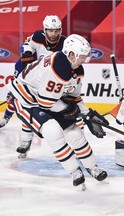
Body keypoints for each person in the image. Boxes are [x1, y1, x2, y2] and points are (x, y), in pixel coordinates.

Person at [5, 34, 108, 188]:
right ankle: (74, 171)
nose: (86, 59)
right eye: (83, 56)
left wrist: (88, 114)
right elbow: (46, 103)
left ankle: (92, 167)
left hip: (48, 98)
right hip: (26, 99)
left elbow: (74, 96)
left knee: (75, 133)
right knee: (52, 131)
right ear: (71, 55)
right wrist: (69, 109)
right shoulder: (57, 68)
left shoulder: (75, 68)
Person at [0, 15, 66, 158]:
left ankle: (72, 142)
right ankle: (25, 140)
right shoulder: (37, 37)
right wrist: (27, 53)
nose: (54, 34)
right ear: (45, 30)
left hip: (52, 82)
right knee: (27, 107)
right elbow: (26, 46)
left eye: (57, 30)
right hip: (34, 77)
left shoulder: (66, 43)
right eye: (50, 31)